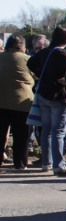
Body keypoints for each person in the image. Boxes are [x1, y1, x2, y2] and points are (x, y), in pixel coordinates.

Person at [26, 26, 66, 176]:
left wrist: (41, 73)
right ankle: (58, 165)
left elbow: (30, 63)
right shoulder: (62, 53)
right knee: (58, 131)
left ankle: (46, 163)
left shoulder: (44, 52)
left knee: (46, 130)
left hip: (43, 94)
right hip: (58, 95)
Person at [0, 35, 34, 171]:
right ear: (21, 45)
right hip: (22, 102)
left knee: (1, 133)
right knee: (21, 136)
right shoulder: (26, 59)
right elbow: (36, 75)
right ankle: (20, 163)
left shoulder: (0, 57)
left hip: (1, 100)